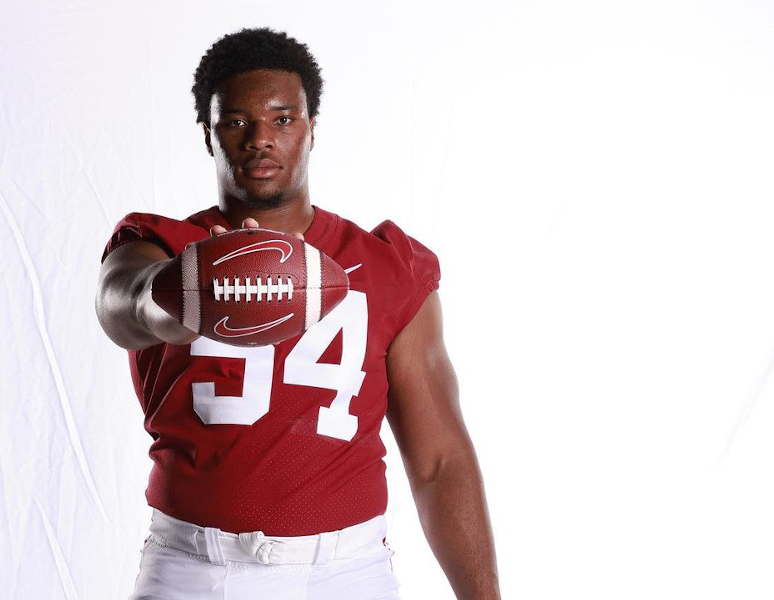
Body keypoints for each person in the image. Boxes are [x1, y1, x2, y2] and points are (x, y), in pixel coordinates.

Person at [96, 27, 501, 600]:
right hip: (194, 569)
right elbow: (126, 307)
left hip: (346, 572)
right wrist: (200, 284)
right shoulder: (161, 246)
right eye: (236, 121)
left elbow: (439, 459)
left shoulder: (385, 265)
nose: (261, 139)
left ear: (312, 129)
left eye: (283, 119)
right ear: (209, 135)